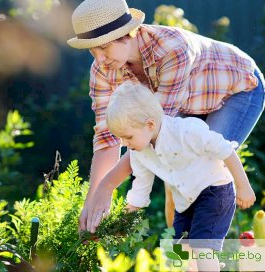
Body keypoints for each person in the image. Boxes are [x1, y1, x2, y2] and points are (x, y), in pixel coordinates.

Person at [67, 0, 265, 230]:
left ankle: (204, 252)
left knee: (200, 169)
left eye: (103, 47)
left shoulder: (173, 49)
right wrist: (94, 198)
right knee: (175, 180)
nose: (98, 59)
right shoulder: (102, 70)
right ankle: (180, 259)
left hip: (237, 89)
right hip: (189, 102)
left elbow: (155, 128)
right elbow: (106, 138)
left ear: (126, 34)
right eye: (92, 50)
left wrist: (109, 185)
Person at [104, 82, 255, 271]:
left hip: (215, 191)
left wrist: (243, 186)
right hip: (186, 202)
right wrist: (121, 224)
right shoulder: (139, 153)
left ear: (149, 124)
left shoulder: (186, 130)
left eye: (128, 137)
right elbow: (139, 192)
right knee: (181, 251)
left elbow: (225, 150)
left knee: (202, 246)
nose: (125, 143)